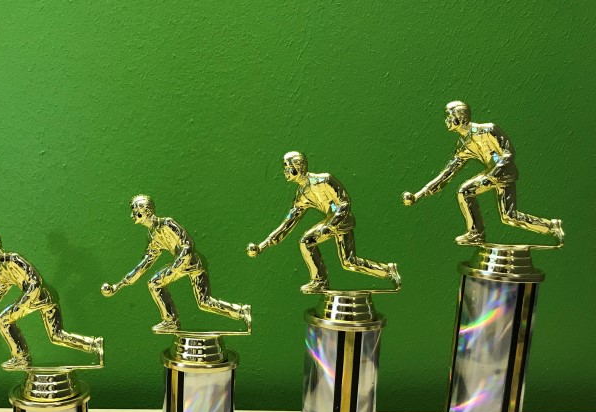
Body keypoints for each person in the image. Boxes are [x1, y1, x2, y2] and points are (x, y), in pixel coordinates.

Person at [402, 101, 564, 245]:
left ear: (461, 117)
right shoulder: (463, 144)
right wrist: (420, 194)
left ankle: (476, 233)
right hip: (492, 175)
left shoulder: (488, 129)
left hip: (504, 172)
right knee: (509, 216)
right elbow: (448, 173)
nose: (446, 121)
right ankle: (551, 226)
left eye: (449, 117)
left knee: (465, 191)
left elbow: (508, 153)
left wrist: (493, 174)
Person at [247, 151, 400, 294]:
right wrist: (266, 243)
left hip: (342, 220)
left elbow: (344, 202)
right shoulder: (301, 194)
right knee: (342, 258)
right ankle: (322, 280)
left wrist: (330, 225)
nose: (285, 171)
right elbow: (289, 220)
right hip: (329, 223)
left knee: (344, 260)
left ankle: (323, 280)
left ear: (298, 167)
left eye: (288, 167)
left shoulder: (324, 179)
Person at [0, 230, 102, 370]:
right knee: (56, 335)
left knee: (5, 320)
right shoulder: (1, 271)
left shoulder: (12, 259)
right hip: (37, 298)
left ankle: (22, 357)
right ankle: (94, 345)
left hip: (43, 296)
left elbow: (35, 282)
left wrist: (20, 306)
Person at [101, 195, 251, 333]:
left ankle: (172, 321)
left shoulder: (167, 223)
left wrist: (175, 267)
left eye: (135, 211)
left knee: (165, 287)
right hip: (182, 265)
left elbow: (188, 245)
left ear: (147, 211)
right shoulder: (153, 236)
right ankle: (239, 312)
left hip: (192, 263)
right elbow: (145, 263)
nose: (132, 215)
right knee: (197, 300)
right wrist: (121, 284)